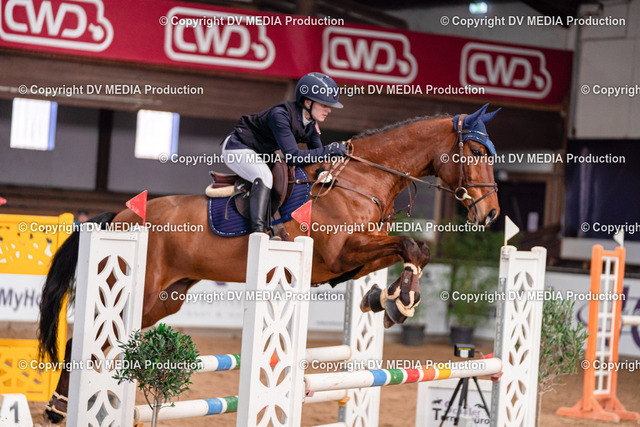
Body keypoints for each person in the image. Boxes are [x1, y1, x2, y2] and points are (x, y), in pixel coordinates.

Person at [221, 72, 348, 233]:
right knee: (264, 177)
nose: (329, 110)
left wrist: (323, 171)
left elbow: (317, 155)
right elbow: (293, 156)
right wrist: (330, 149)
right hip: (238, 147)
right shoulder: (280, 115)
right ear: (307, 102)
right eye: (324, 105)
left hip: (262, 152)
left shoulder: (311, 124)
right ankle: (257, 232)